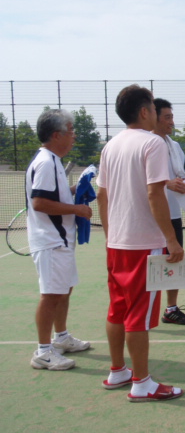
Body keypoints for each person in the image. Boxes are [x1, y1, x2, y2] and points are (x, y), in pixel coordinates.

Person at [97, 84, 184, 402]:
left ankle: (118, 370)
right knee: (137, 314)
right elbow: (154, 193)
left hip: (117, 243)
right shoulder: (152, 143)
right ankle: (142, 382)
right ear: (145, 112)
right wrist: (171, 240)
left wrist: (110, 234)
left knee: (117, 309)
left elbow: (101, 195)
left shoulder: (111, 146)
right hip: (142, 244)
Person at [26, 109, 93, 371]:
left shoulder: (52, 161)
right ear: (56, 135)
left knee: (64, 290)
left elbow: (54, 195)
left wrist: (77, 190)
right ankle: (43, 351)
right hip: (51, 241)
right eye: (71, 131)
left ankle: (61, 338)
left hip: (61, 240)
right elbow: (40, 202)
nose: (74, 136)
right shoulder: (45, 162)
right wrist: (77, 209)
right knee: (51, 295)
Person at [152, 97, 185, 326]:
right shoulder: (145, 144)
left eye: (171, 116)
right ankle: (139, 309)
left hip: (174, 214)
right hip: (150, 216)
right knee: (146, 264)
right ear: (152, 117)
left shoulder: (174, 146)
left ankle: (171, 309)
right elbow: (141, 181)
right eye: (167, 117)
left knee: (174, 259)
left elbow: (183, 172)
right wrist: (167, 183)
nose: (171, 121)